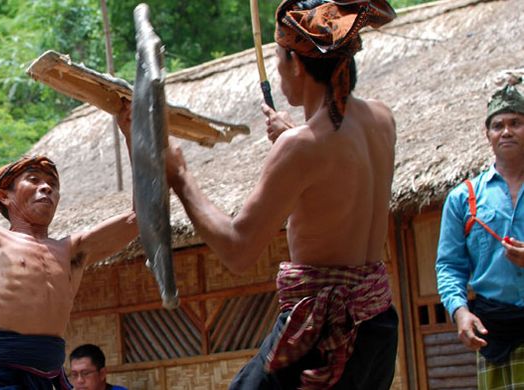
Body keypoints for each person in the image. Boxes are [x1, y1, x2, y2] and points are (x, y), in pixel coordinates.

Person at [165, 0, 399, 388]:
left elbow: (238, 250)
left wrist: (181, 177)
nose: (276, 67)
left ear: (296, 63)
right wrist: (294, 131)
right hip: (375, 326)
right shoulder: (381, 118)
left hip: (324, 331)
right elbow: (336, 168)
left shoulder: (301, 147)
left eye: (278, 57)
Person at [0, 107, 137, 389]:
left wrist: (131, 134)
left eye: (52, 185)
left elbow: (140, 217)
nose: (46, 188)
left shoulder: (73, 250)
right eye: (34, 179)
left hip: (47, 376)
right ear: (5, 196)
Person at [435, 81, 524, 389]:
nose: (507, 131)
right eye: (498, 125)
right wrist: (459, 312)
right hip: (493, 333)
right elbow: (449, 266)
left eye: (516, 123)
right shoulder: (464, 199)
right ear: (488, 135)